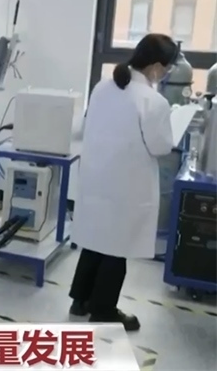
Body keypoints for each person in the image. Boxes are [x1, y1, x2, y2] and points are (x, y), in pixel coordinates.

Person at [69, 33, 178, 332]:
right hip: (126, 186)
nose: (166, 73)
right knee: (117, 247)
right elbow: (160, 146)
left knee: (95, 240)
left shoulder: (103, 87)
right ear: (156, 67)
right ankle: (103, 310)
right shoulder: (153, 101)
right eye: (167, 68)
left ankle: (80, 300)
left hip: (96, 178)